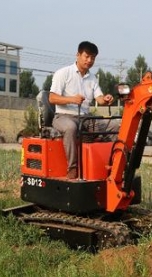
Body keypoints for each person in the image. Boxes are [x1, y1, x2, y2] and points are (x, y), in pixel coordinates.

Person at [49, 41, 119, 179]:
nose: (89, 60)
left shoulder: (92, 78)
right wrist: (72, 99)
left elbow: (99, 98)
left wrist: (106, 99)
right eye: (86, 56)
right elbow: (52, 98)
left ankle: (115, 165)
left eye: (92, 58)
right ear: (78, 55)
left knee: (115, 126)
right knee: (70, 128)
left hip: (85, 118)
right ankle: (72, 168)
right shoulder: (63, 73)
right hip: (63, 116)